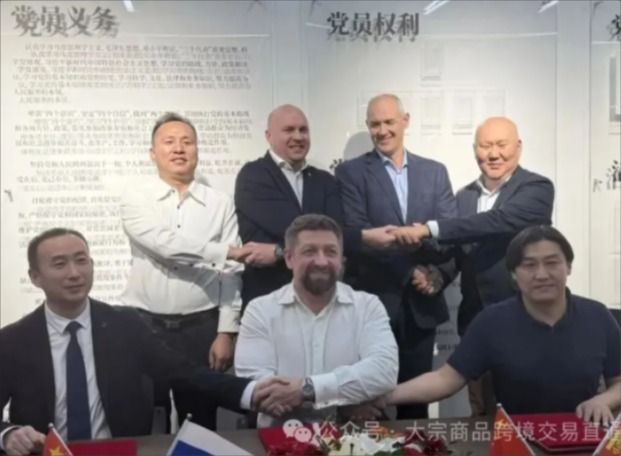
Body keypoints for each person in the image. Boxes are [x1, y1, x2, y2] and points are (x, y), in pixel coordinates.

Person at [0, 228, 282, 456]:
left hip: (118, 451)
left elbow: (185, 372)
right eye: (60, 264)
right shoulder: (13, 340)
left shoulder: (125, 325)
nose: (74, 273)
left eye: (81, 260)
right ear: (35, 277)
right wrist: (7, 434)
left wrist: (252, 392)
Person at [388, 116, 555, 415]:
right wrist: (437, 276)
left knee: (526, 412)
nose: (494, 154)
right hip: (476, 324)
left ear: (518, 147)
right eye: (485, 146)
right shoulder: (464, 197)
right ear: (474, 148)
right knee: (481, 413)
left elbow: (495, 222)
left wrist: (429, 228)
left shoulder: (537, 188)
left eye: (501, 145)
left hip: (525, 319)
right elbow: (459, 250)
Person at [385, 225, 621, 427]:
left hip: (583, 435)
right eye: (529, 265)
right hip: (515, 439)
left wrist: (603, 400)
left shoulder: (597, 316)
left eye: (552, 263)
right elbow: (445, 379)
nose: (541, 275)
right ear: (513, 274)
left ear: (568, 266)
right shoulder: (492, 321)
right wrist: (384, 396)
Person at [119, 112, 250, 431]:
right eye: (169, 142)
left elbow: (232, 271)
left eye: (187, 142)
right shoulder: (136, 198)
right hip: (144, 325)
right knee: (147, 422)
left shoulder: (220, 202)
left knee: (201, 422)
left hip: (201, 327)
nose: (179, 148)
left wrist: (226, 331)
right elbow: (165, 245)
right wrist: (225, 252)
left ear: (197, 150)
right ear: (153, 153)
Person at [334, 93, 458, 420]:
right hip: (374, 301)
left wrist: (437, 275)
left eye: (389, 122)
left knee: (415, 403)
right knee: (367, 402)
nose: (383, 130)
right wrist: (411, 271)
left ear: (406, 121)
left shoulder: (435, 172)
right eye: (375, 124)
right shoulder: (350, 173)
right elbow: (358, 236)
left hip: (423, 304)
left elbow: (448, 235)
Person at [235, 214, 398, 428]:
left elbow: (384, 371)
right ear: (289, 258)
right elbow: (259, 388)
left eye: (331, 252)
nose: (321, 261)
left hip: (352, 438)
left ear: (341, 260)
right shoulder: (260, 310)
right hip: (281, 436)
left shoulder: (367, 306)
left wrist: (306, 390)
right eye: (309, 251)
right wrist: (342, 402)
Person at [234, 104, 397, 309]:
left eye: (303, 130)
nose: (298, 137)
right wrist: (363, 237)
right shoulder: (253, 175)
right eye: (289, 130)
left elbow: (334, 233)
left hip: (321, 299)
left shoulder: (324, 180)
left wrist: (276, 251)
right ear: (269, 136)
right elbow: (295, 229)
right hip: (269, 301)